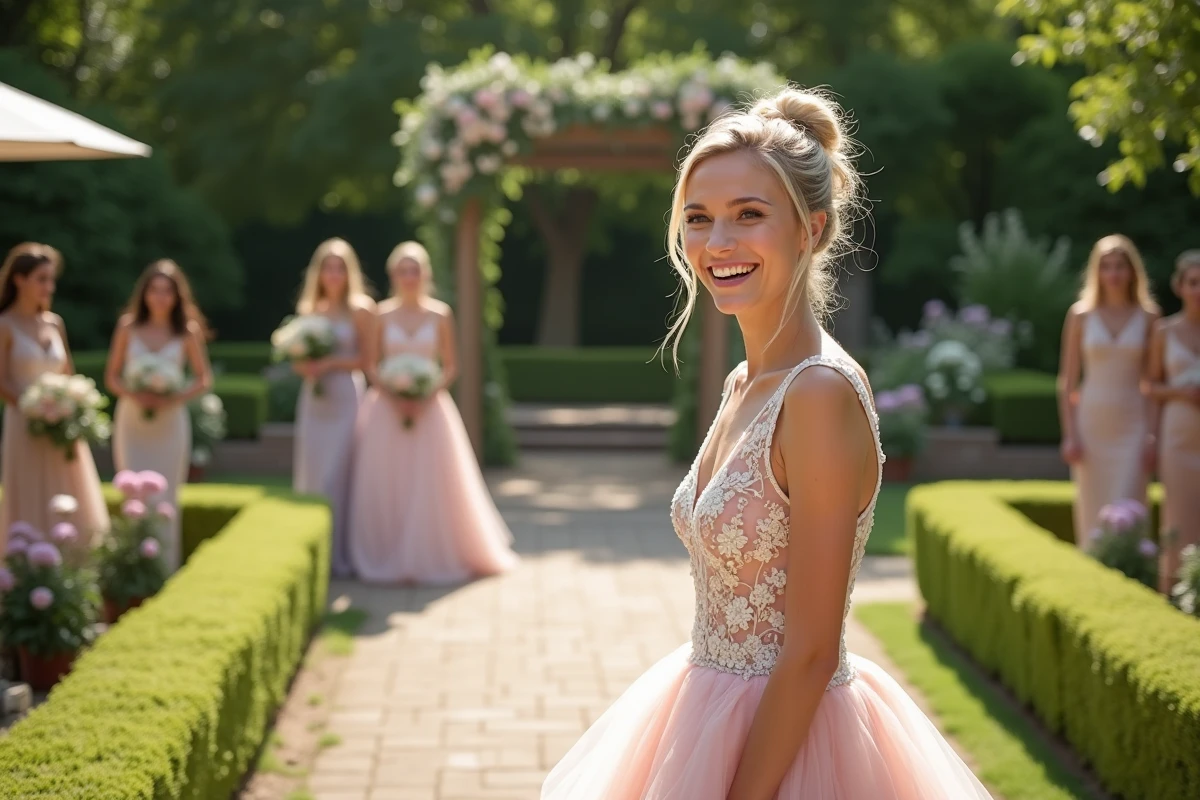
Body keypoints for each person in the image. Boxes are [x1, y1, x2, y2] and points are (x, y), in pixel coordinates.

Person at [542, 87, 992, 799]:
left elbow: (810, 654)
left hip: (790, 747)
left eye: (748, 215)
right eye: (699, 219)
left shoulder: (817, 394)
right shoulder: (744, 382)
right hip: (704, 707)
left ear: (811, 229)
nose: (717, 243)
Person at [346, 241, 518, 584]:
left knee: (430, 484)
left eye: (415, 269)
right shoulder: (381, 314)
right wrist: (395, 394)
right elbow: (371, 364)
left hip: (431, 410)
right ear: (393, 274)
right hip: (386, 411)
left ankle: (430, 555)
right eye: (403, 270)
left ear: (425, 274)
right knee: (390, 483)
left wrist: (423, 394)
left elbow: (451, 366)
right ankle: (387, 552)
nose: (409, 276)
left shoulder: (440, 314)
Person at [0, 243, 108, 557]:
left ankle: (75, 564)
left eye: (51, 279)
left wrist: (68, 407)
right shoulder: (4, 325)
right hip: (24, 424)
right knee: (30, 491)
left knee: (70, 490)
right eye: (41, 279)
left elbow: (67, 374)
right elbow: (2, 380)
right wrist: (35, 407)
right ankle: (28, 565)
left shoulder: (54, 323)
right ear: (19, 279)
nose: (49, 286)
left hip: (63, 425)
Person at [105, 259, 213, 573]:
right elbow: (112, 376)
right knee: (132, 492)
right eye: (154, 289)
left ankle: (164, 567)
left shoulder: (186, 331)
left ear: (177, 296)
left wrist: (172, 398)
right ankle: (132, 568)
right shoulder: (128, 327)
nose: (160, 297)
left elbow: (203, 378)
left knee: (166, 494)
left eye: (167, 291)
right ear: (144, 293)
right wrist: (135, 394)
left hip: (170, 423)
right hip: (133, 421)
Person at [1057, 235, 1159, 543]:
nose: (1113, 273)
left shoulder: (1150, 317)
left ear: (1132, 271)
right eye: (1106, 266)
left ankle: (1131, 567)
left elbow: (1152, 383)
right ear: (1096, 272)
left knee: (1130, 507)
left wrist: (1152, 435)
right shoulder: (1080, 315)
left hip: (1133, 424)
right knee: (1093, 512)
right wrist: (1070, 435)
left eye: (1119, 266)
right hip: (1091, 425)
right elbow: (1067, 381)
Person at [290, 237, 374, 578]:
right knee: (312, 474)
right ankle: (310, 554)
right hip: (314, 399)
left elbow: (367, 360)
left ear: (349, 271)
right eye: (328, 267)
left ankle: (338, 555)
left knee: (336, 476)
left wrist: (329, 364)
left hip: (345, 397)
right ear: (319, 272)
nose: (334, 273)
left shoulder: (361, 309)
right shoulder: (309, 309)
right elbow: (296, 359)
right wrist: (306, 367)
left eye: (340, 267)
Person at [1146, 251, 1200, 595]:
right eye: (1193, 283)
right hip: (1177, 436)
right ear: (1179, 286)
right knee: (1177, 516)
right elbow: (1150, 385)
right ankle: (1171, 593)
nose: (1199, 290)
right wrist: (1181, 392)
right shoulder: (1164, 331)